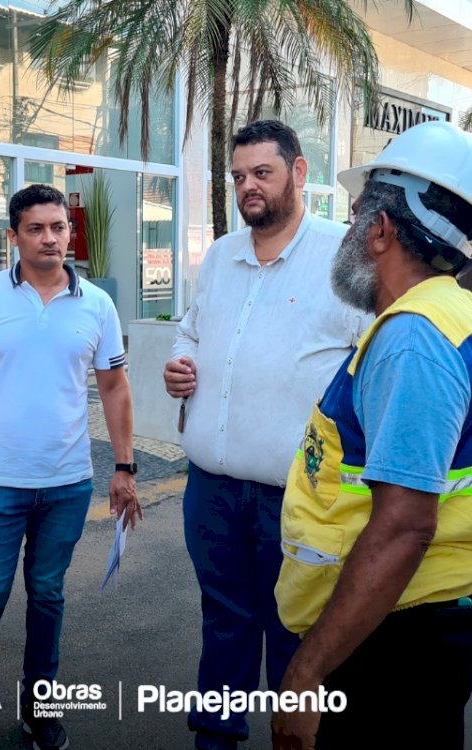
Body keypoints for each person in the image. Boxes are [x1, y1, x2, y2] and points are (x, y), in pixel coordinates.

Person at [163, 120, 371, 750]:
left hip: (299, 500)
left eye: (263, 173)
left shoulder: (345, 257)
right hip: (213, 493)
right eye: (238, 177)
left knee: (295, 633)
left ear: (298, 173)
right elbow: (191, 330)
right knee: (223, 623)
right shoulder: (222, 256)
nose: (248, 187)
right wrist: (179, 361)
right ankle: (215, 737)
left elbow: (370, 363)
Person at [273, 121, 472, 750]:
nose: (348, 231)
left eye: (357, 215)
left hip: (394, 634)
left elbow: (405, 524)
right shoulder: (449, 315)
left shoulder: (414, 337)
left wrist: (308, 674)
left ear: (382, 231)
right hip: (414, 622)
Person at [0, 183, 142, 750]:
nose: (50, 239)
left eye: (59, 228)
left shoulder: (97, 304)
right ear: (14, 236)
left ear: (70, 233)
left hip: (69, 484)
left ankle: (38, 709)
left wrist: (125, 468)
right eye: (36, 229)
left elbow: (116, 388)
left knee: (48, 598)